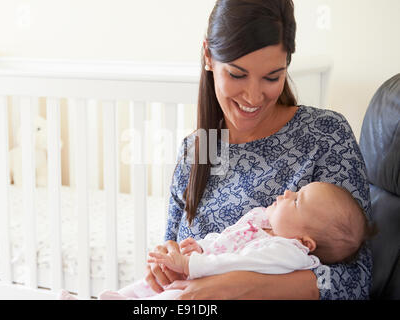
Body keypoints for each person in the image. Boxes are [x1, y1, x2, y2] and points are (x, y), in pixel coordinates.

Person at [145, 0, 373, 300]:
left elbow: (354, 281)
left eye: (272, 77)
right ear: (209, 57)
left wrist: (236, 287)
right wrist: (164, 267)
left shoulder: (325, 136)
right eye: (237, 75)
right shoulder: (196, 151)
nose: (253, 96)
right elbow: (172, 257)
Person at [86, 182, 373, 300]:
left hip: (209, 286)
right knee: (157, 286)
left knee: (177, 298)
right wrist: (194, 247)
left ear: (305, 241)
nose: (287, 193)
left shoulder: (289, 251)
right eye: (296, 191)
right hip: (196, 270)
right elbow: (225, 240)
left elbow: (238, 261)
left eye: (296, 201)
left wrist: (192, 263)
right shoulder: (265, 225)